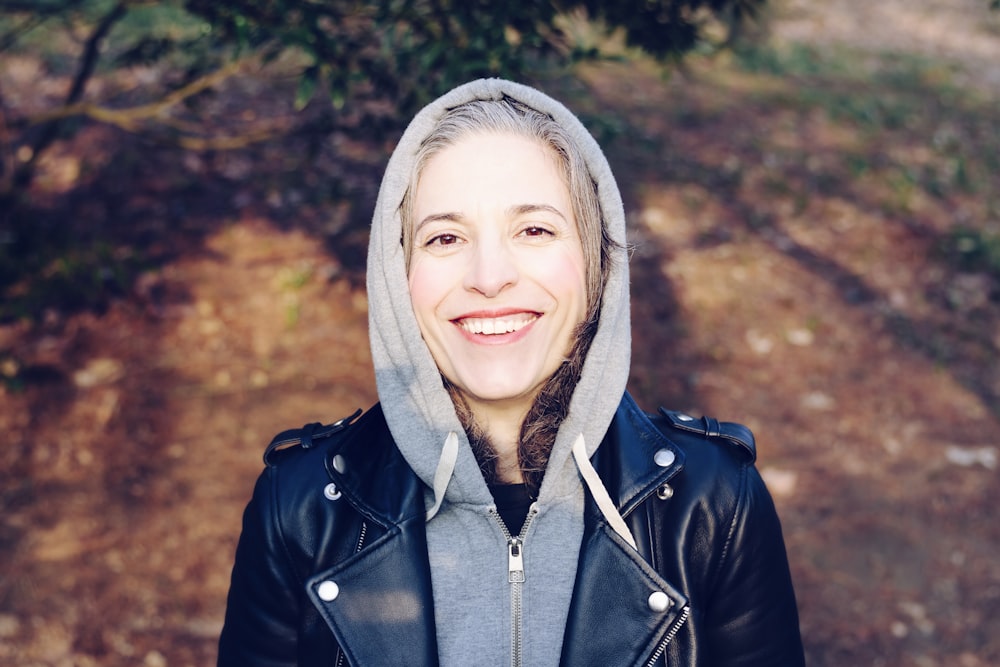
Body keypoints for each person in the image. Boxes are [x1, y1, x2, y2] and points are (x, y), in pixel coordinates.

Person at [218, 78, 805, 667]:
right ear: (397, 276)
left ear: (597, 263)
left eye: (535, 230)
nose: (490, 275)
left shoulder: (713, 504)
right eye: (445, 237)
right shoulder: (298, 509)